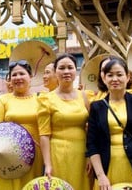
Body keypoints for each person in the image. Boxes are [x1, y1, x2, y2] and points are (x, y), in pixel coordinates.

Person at [86, 57, 132, 190]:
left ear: (128, 77)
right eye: (110, 75)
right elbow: (92, 144)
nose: (115, 79)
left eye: (119, 74)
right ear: (104, 78)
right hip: (106, 169)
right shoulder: (96, 107)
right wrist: (100, 175)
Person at [38, 53, 91, 189]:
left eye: (70, 67)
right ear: (56, 72)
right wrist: (48, 164)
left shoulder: (84, 96)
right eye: (61, 68)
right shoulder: (46, 99)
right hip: (58, 154)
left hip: (82, 153)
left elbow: (90, 128)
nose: (66, 71)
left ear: (76, 70)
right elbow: (44, 134)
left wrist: (91, 155)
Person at [0, 60, 42, 190]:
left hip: (35, 154)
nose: (18, 78)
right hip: (8, 154)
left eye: (22, 74)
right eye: (14, 75)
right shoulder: (3, 100)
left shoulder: (41, 99)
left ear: (30, 77)